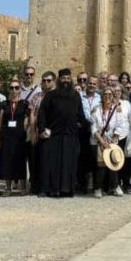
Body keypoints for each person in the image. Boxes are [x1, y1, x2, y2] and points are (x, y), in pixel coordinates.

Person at [37, 69, 85, 197]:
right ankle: (52, 189)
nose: (65, 81)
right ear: (59, 80)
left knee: (69, 164)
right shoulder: (51, 95)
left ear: (71, 80)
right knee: (52, 164)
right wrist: (41, 129)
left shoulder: (75, 95)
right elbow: (42, 113)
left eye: (68, 78)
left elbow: (81, 114)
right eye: (63, 78)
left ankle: (67, 190)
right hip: (54, 135)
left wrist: (84, 125)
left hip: (70, 135)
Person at [91, 86, 130, 197]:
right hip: (99, 140)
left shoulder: (116, 109)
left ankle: (115, 186)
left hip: (112, 139)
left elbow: (120, 124)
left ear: (113, 96)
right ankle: (98, 187)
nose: (107, 96)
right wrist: (102, 141)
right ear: (102, 96)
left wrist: (114, 138)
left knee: (113, 163)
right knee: (101, 165)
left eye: (110, 94)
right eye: (105, 94)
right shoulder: (96, 109)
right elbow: (93, 127)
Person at [0, 80, 30, 195]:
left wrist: (27, 134)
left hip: (20, 137)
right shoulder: (4, 104)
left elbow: (28, 120)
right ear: (9, 89)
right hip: (6, 137)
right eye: (12, 88)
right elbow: (0, 122)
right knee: (7, 161)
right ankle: (8, 188)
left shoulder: (25, 103)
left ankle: (23, 188)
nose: (14, 90)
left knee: (20, 161)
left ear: (20, 89)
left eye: (16, 88)